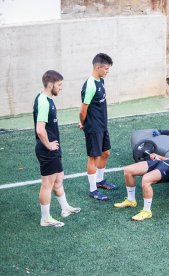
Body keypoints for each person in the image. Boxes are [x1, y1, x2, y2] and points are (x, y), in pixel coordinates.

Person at [33, 70, 81, 227]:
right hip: (47, 150)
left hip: (53, 148)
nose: (61, 88)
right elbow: (40, 130)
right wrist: (48, 145)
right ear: (50, 84)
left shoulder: (48, 99)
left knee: (59, 180)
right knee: (47, 184)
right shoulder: (43, 101)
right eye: (59, 85)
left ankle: (65, 208)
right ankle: (45, 218)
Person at [78, 53, 117, 201]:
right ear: (97, 67)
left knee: (105, 153)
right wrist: (83, 122)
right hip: (94, 127)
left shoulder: (100, 80)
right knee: (94, 157)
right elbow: (83, 109)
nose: (108, 71)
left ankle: (100, 181)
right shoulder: (90, 85)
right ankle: (93, 190)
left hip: (102, 125)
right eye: (106, 69)